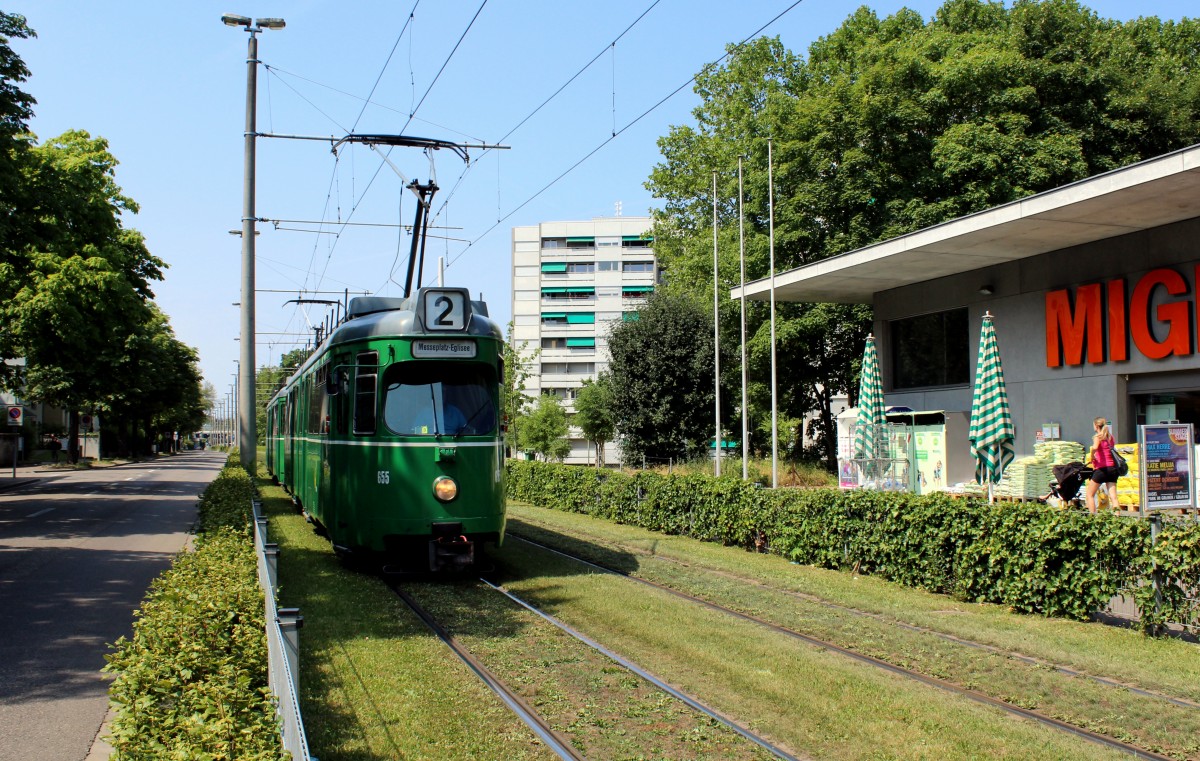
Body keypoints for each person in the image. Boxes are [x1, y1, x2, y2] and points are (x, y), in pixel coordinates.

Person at [1085, 417, 1119, 513]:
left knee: (1090, 494)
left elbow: (1095, 447)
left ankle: (1093, 517)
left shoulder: (1098, 437)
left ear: (1096, 425)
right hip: (1112, 468)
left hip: (1102, 469)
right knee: (1113, 496)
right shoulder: (1110, 437)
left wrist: (1092, 457)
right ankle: (1118, 517)